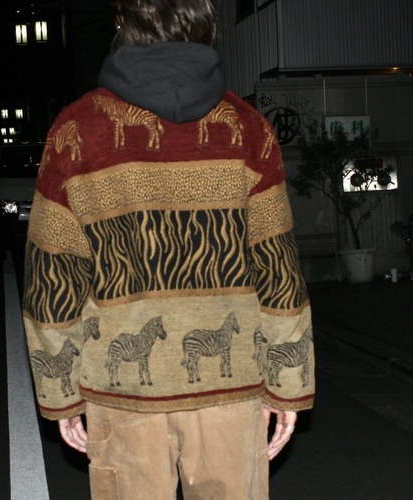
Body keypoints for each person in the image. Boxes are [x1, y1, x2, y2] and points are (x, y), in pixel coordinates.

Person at [22, 0, 314, 498]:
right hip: (230, 393)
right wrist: (288, 385)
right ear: (208, 25)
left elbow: (53, 276)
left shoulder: (76, 131)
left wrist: (61, 393)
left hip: (123, 397)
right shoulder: (249, 130)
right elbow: (278, 271)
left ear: (122, 25)